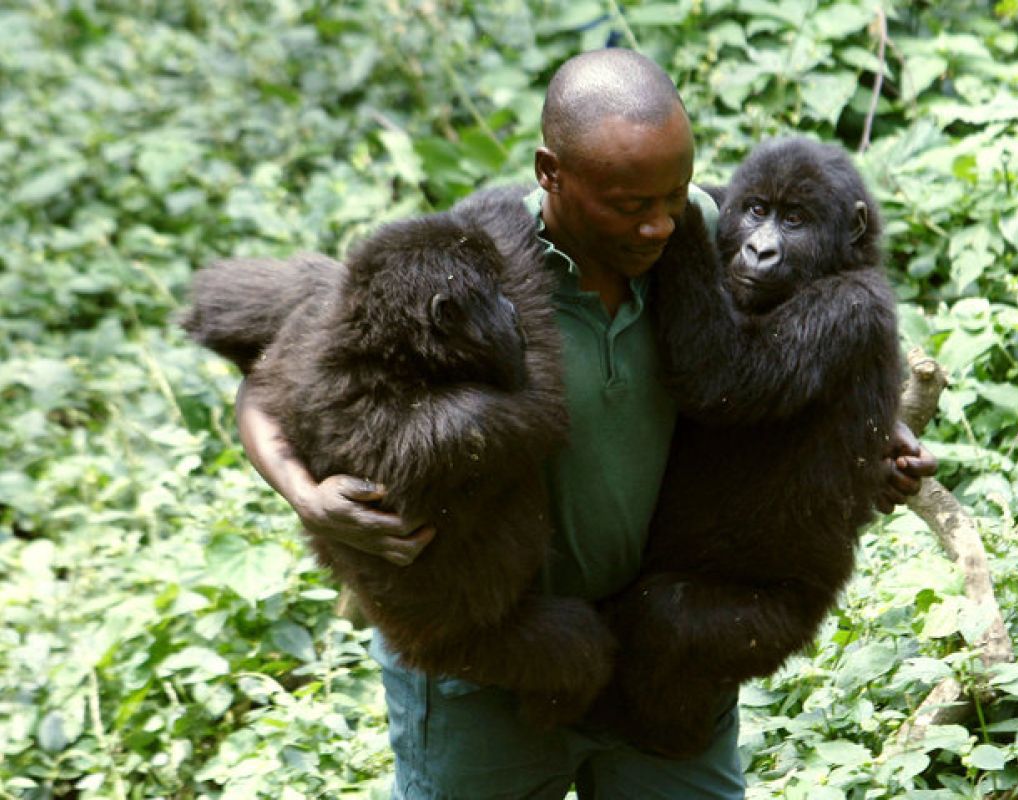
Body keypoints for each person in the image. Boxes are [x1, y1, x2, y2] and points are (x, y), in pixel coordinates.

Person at [235, 48, 935, 800]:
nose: (657, 225)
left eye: (675, 193)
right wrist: (304, 492)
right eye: (631, 206)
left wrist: (863, 432)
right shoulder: (470, 265)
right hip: (496, 653)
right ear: (550, 173)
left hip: (662, 644)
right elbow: (269, 383)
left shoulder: (703, 240)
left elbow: (777, 364)